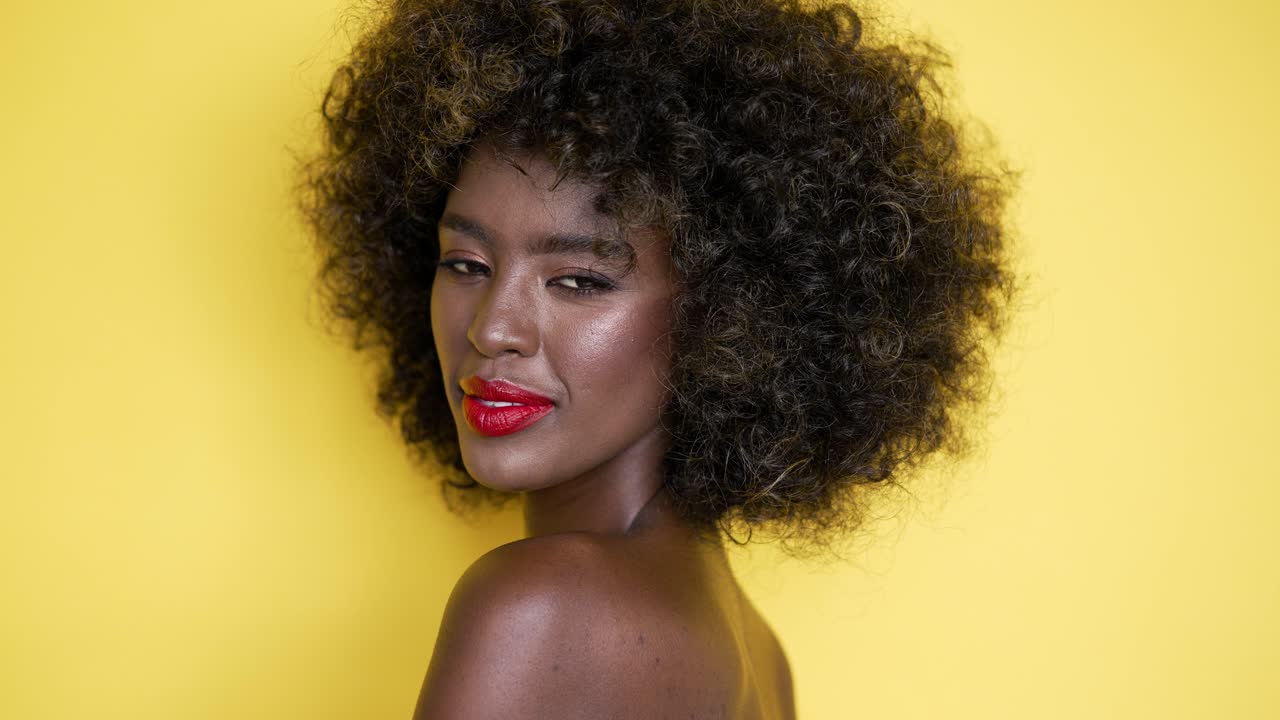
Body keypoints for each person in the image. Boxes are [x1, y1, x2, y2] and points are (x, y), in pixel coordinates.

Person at [296, 0, 1020, 717]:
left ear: (730, 314)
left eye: (578, 281)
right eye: (465, 263)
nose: (493, 328)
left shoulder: (534, 606)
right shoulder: (757, 656)